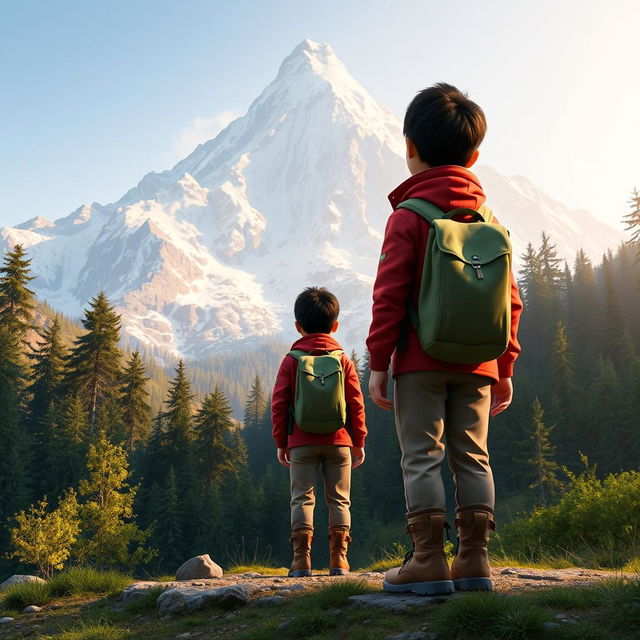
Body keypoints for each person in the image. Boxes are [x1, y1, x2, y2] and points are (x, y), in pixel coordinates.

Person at [366, 83, 523, 594]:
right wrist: (505, 368)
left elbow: (388, 296)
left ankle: (427, 561)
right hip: (479, 364)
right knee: (472, 455)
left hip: (419, 361)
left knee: (422, 456)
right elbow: (511, 303)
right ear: (475, 155)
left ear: (410, 147)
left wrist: (378, 362)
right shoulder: (490, 222)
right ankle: (474, 560)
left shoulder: (408, 217)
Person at [272, 286, 367, 577]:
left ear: (298, 326)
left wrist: (281, 442)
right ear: (335, 325)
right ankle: (340, 560)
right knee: (339, 499)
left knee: (302, 498)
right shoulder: (342, 360)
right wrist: (359, 441)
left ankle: (302, 561)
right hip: (340, 442)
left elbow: (279, 403)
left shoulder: (292, 360)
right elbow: (355, 403)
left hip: (301, 442)